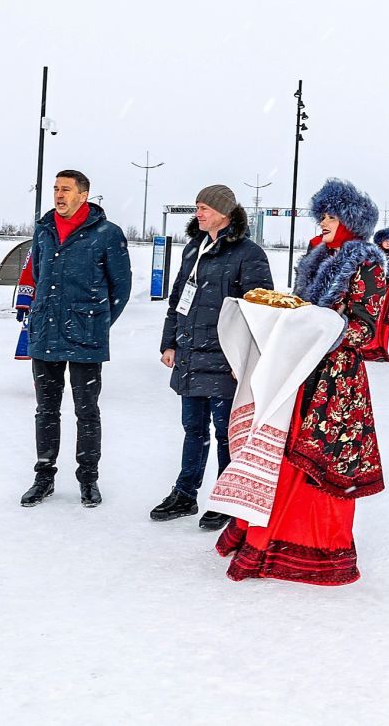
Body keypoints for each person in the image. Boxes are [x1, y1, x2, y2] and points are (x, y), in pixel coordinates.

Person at [216, 177, 386, 584]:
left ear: (349, 220)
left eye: (330, 216)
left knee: (319, 467)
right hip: (299, 372)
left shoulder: (368, 263)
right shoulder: (314, 256)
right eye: (321, 215)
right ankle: (266, 536)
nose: (323, 222)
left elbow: (364, 330)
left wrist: (315, 328)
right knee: (283, 456)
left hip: (337, 382)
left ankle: (316, 549)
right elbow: (299, 310)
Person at [151, 185, 275, 529]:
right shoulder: (194, 249)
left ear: (224, 212)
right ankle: (185, 494)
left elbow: (260, 309)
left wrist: (245, 360)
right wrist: (169, 343)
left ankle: (225, 498)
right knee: (193, 428)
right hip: (191, 354)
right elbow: (178, 298)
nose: (198, 214)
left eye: (204, 208)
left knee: (225, 432)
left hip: (225, 360)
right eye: (197, 207)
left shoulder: (248, 254)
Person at [19, 170, 132, 508]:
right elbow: (39, 276)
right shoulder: (44, 230)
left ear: (84, 195)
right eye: (55, 188)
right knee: (46, 410)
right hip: (45, 333)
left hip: (86, 338)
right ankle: (44, 477)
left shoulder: (107, 234)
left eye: (66, 189)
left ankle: (88, 479)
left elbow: (120, 289)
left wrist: (95, 323)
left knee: (87, 411)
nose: (58, 195)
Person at [363, 227, 389, 362]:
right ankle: (370, 349)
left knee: (386, 321)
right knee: (375, 319)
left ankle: (381, 348)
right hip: (375, 291)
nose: (388, 243)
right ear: (380, 241)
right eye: (385, 240)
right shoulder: (372, 254)